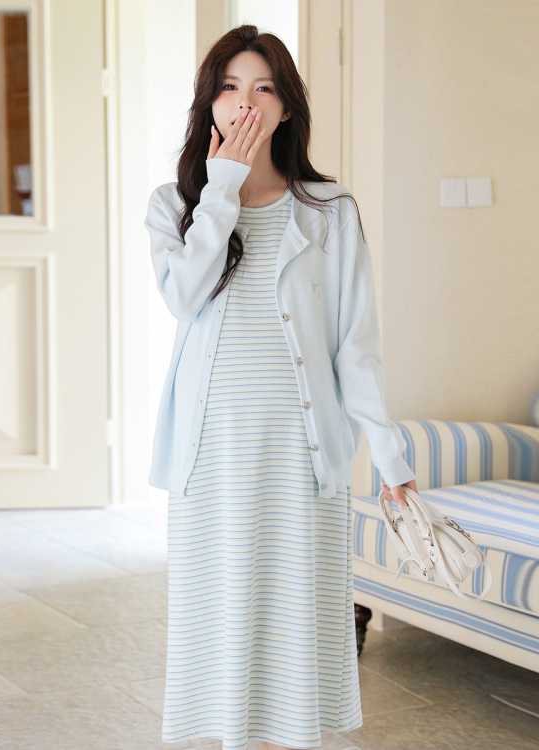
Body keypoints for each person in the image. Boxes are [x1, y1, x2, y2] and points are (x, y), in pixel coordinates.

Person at [144, 24, 418, 750]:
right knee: (221, 617)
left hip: (302, 451)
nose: (247, 103)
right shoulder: (175, 205)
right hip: (212, 452)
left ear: (287, 105)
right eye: (230, 87)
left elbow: (356, 345)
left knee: (294, 620)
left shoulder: (329, 209)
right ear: (209, 104)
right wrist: (223, 189)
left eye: (264, 87)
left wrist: (391, 460)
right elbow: (184, 296)